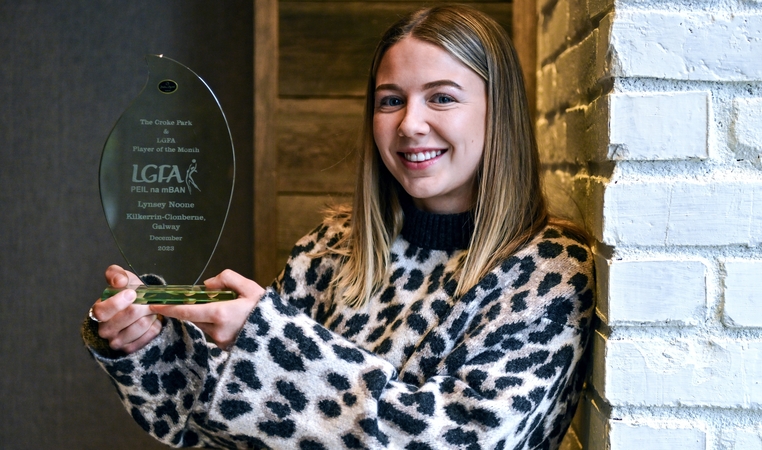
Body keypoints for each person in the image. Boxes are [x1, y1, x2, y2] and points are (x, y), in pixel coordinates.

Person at [82, 5, 595, 449]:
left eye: (442, 97)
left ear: (497, 111)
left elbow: (460, 438)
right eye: (391, 100)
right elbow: (222, 418)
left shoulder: (547, 271)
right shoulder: (329, 249)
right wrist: (148, 342)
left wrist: (267, 338)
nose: (409, 123)